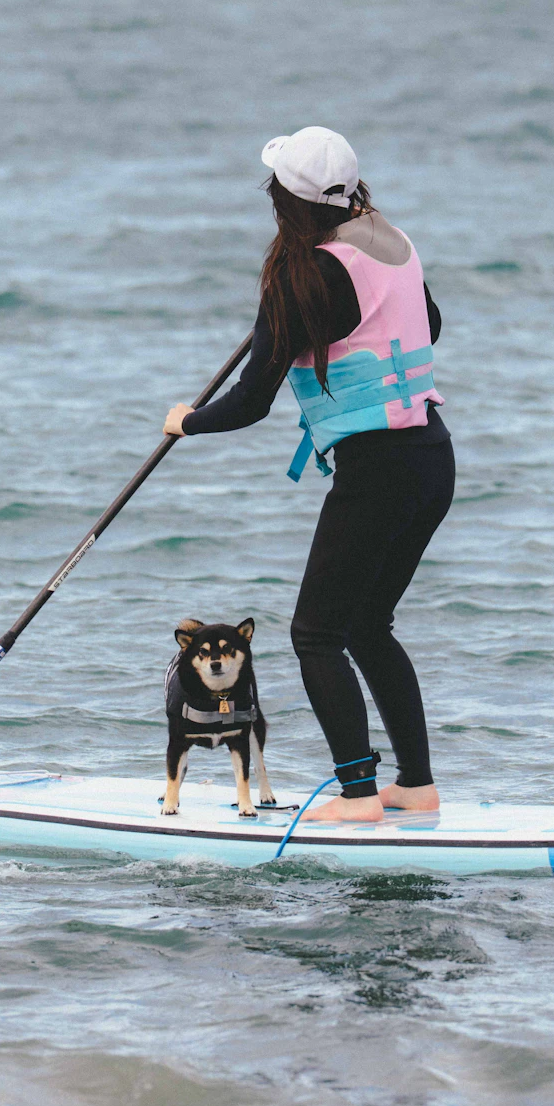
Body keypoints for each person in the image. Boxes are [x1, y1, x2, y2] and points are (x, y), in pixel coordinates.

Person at [163, 126, 454, 823]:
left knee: (317, 633)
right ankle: (414, 785)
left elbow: (250, 402)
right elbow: (428, 324)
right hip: (432, 459)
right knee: (368, 625)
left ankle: (359, 795)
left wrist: (186, 421)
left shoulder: (303, 276)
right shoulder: (392, 242)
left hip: (378, 471)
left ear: (284, 200)